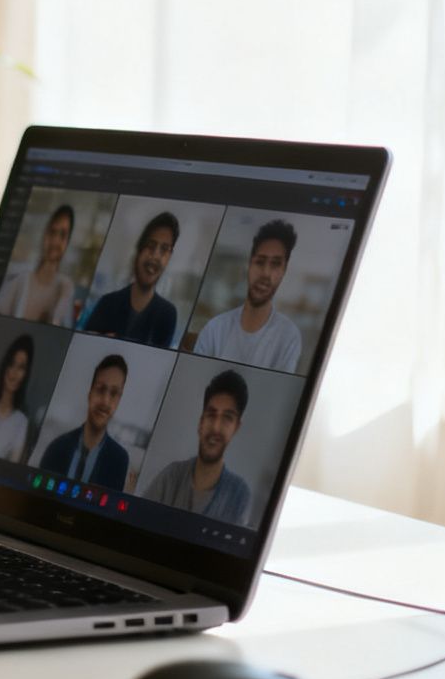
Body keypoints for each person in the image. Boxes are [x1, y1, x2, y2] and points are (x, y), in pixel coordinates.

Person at [142, 370, 255, 525]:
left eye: (227, 418)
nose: (216, 427)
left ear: (236, 428)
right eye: (211, 415)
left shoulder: (240, 495)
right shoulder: (171, 476)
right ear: (201, 422)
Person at [191, 220, 304, 373]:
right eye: (260, 262)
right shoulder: (214, 329)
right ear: (249, 265)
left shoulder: (288, 337)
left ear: (283, 271)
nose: (266, 273)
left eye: (275, 264)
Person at [82, 211, 181, 347]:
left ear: (169, 257)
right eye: (150, 246)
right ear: (139, 251)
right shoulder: (107, 304)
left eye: (164, 249)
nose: (155, 256)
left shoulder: (168, 315)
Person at [36, 354, 131, 491]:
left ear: (119, 400)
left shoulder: (120, 460)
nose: (105, 401)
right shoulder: (56, 448)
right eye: (100, 389)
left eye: (114, 393)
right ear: (90, 393)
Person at [0, 204, 77, 326]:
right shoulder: (19, 279)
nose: (55, 241)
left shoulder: (66, 288)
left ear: (67, 242)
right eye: (52, 232)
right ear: (44, 234)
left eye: (63, 235)